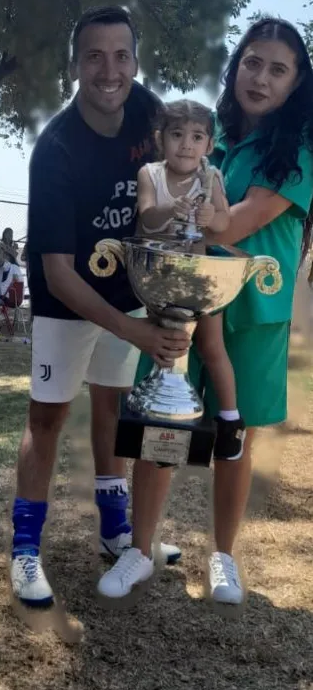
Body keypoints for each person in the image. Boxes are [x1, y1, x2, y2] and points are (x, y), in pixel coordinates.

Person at [101, 17, 313, 603]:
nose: (261, 78)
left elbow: (238, 221)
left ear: (296, 83)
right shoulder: (208, 143)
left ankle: (223, 556)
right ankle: (140, 551)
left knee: (233, 433)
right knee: (158, 420)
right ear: (236, 65)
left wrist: (194, 211)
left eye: (277, 69)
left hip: (252, 311)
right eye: (252, 62)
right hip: (178, 301)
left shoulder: (299, 151)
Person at [10, 5, 189, 609]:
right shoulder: (55, 149)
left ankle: (116, 533)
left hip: (124, 292)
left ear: (136, 63)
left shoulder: (149, 110)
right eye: (94, 56)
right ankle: (26, 550)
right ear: (73, 68)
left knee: (110, 407)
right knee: (47, 419)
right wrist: (135, 335)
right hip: (67, 299)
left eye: (121, 55)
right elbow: (59, 274)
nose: (109, 70)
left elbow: (183, 161)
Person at [136, 99, 246, 461]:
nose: (186, 144)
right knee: (164, 348)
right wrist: (172, 208)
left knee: (213, 345)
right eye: (177, 134)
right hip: (160, 279)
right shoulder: (149, 174)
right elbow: (149, 219)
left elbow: (224, 224)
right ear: (160, 138)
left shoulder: (210, 175)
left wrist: (212, 214)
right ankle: (164, 419)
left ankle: (230, 419)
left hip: (198, 279)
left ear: (209, 145)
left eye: (197, 136)